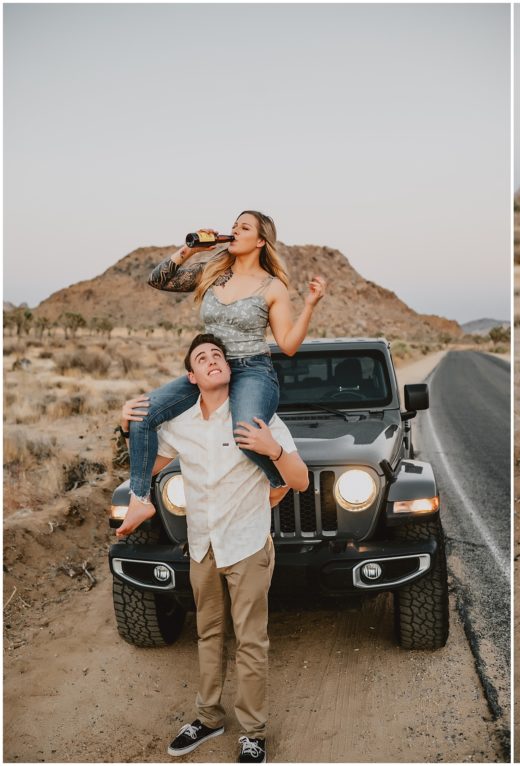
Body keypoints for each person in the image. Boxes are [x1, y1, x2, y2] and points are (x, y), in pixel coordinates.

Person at [118, 333, 309, 763]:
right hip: (201, 546)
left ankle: (253, 733)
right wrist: (125, 423)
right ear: (191, 376)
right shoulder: (180, 423)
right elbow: (146, 466)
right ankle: (208, 718)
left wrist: (272, 449)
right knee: (207, 634)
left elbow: (300, 480)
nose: (211, 360)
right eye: (202, 357)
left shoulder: (258, 419)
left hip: (246, 545)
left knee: (251, 640)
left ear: (229, 368)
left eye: (218, 355)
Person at [119, 211, 326, 536]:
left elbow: (287, 345)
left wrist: (310, 306)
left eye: (243, 227)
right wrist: (191, 249)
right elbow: (158, 280)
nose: (234, 230)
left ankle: (277, 481)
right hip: (210, 370)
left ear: (260, 241)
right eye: (233, 225)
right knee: (141, 415)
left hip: (251, 370)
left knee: (245, 433)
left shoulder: (272, 287)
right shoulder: (213, 274)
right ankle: (139, 498)